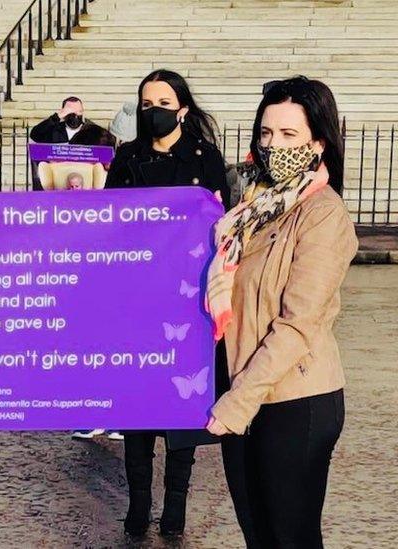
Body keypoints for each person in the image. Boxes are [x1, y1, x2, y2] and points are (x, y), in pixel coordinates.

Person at [207, 76, 356, 549]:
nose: (274, 146)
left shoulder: (323, 214)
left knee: (290, 538)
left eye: (290, 135)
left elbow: (298, 323)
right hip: (244, 390)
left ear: (318, 142)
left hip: (295, 398)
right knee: (259, 535)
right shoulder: (249, 206)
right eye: (266, 133)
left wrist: (237, 401)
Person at [105, 69, 231, 539]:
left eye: (162, 101)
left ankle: (176, 502)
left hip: (187, 299)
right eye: (145, 102)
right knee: (137, 404)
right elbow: (109, 221)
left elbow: (224, 225)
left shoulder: (206, 157)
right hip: (137, 296)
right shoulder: (128, 158)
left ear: (181, 109)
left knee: (181, 403)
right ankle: (138, 503)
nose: (152, 110)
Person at [30, 96, 95, 144]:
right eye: (71, 112)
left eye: (79, 111)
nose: (76, 115)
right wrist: (56, 117)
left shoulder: (91, 131)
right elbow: (35, 135)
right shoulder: (55, 130)